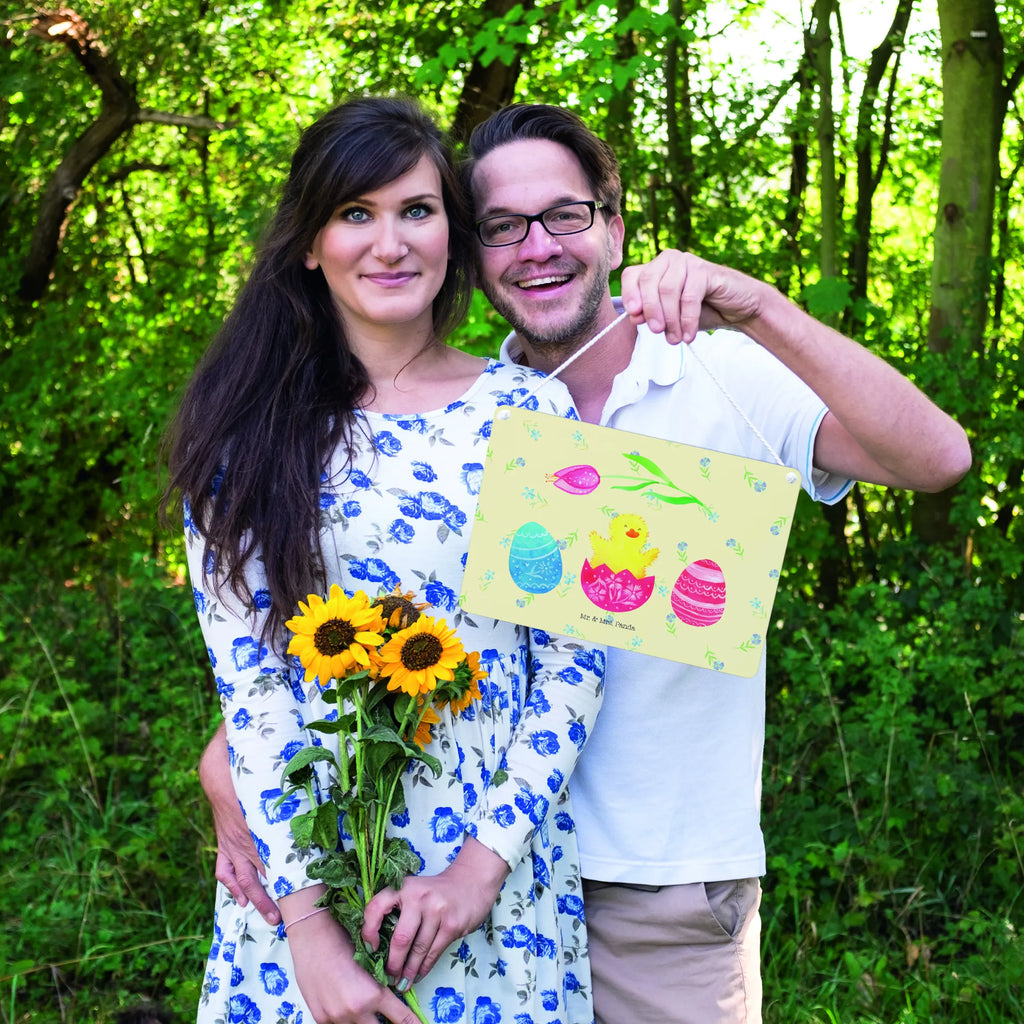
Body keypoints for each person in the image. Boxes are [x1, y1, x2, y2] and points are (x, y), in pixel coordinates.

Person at [202, 102, 972, 1024]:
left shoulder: (711, 373)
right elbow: (333, 634)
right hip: (429, 877)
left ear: (612, 226)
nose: (537, 247)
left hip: (654, 888)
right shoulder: (463, 414)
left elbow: (938, 461)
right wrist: (234, 769)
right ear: (474, 251)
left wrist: (760, 306)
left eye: (565, 215)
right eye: (502, 226)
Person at [165, 97, 609, 1024]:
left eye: (416, 210)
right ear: (309, 244)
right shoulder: (242, 438)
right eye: (355, 214)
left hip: (493, 889)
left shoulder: (532, 414)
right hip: (303, 890)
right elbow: (252, 693)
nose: (390, 242)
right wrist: (312, 938)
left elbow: (573, 664)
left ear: (452, 228)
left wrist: (478, 872)